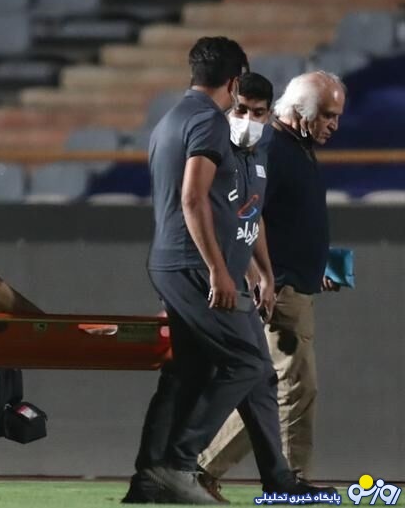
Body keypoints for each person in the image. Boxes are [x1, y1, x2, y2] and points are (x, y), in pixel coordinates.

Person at [125, 37, 332, 504]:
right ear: (234, 82)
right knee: (247, 363)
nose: (250, 117)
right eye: (245, 106)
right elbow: (192, 199)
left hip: (196, 264)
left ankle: (265, 479)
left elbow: (244, 211)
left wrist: (261, 272)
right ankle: (178, 465)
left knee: (204, 374)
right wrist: (218, 271)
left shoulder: (176, 122)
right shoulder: (209, 123)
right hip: (197, 266)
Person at [198, 72, 346, 492]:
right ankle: (288, 480)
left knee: (275, 386)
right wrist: (260, 277)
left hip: (291, 282)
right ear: (299, 111)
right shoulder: (274, 149)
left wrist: (316, 265)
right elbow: (245, 216)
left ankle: (202, 468)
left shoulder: (295, 147)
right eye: (327, 115)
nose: (334, 124)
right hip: (279, 288)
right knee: (295, 385)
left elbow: (288, 219)